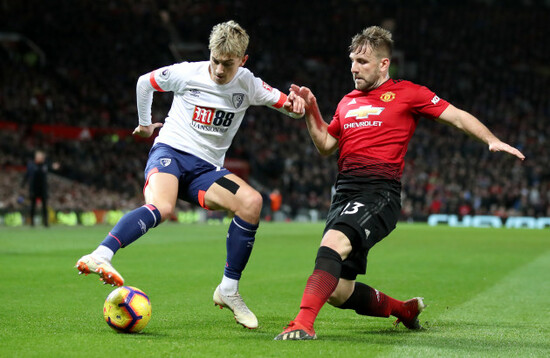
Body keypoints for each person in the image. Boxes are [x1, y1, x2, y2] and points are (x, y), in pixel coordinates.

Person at [275, 25, 525, 340]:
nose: (354, 68)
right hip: (345, 194)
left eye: (362, 62)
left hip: (380, 192)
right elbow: (326, 145)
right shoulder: (347, 101)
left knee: (332, 245)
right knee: (338, 290)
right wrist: (312, 109)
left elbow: (458, 116)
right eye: (352, 60)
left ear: (384, 64)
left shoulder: (409, 93)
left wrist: (491, 140)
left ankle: (302, 323)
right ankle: (403, 310)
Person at [75, 20, 305, 329]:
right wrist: (145, 124)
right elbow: (146, 82)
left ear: (242, 60)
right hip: (170, 151)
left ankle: (228, 289)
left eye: (228, 63)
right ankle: (102, 254)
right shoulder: (188, 73)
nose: (220, 69)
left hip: (206, 170)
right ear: (209, 53)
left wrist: (298, 104)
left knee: (251, 202)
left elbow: (287, 106)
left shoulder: (248, 83)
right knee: (163, 208)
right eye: (215, 60)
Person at [22, 150, 59, 227]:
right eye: (40, 157)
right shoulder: (31, 165)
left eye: (42, 157)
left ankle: (45, 222)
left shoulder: (45, 165)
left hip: (43, 189)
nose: (42, 158)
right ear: (36, 157)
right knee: (33, 206)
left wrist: (54, 166)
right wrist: (23, 185)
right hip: (34, 189)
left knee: (44, 206)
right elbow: (27, 175)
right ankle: (32, 222)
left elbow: (51, 167)